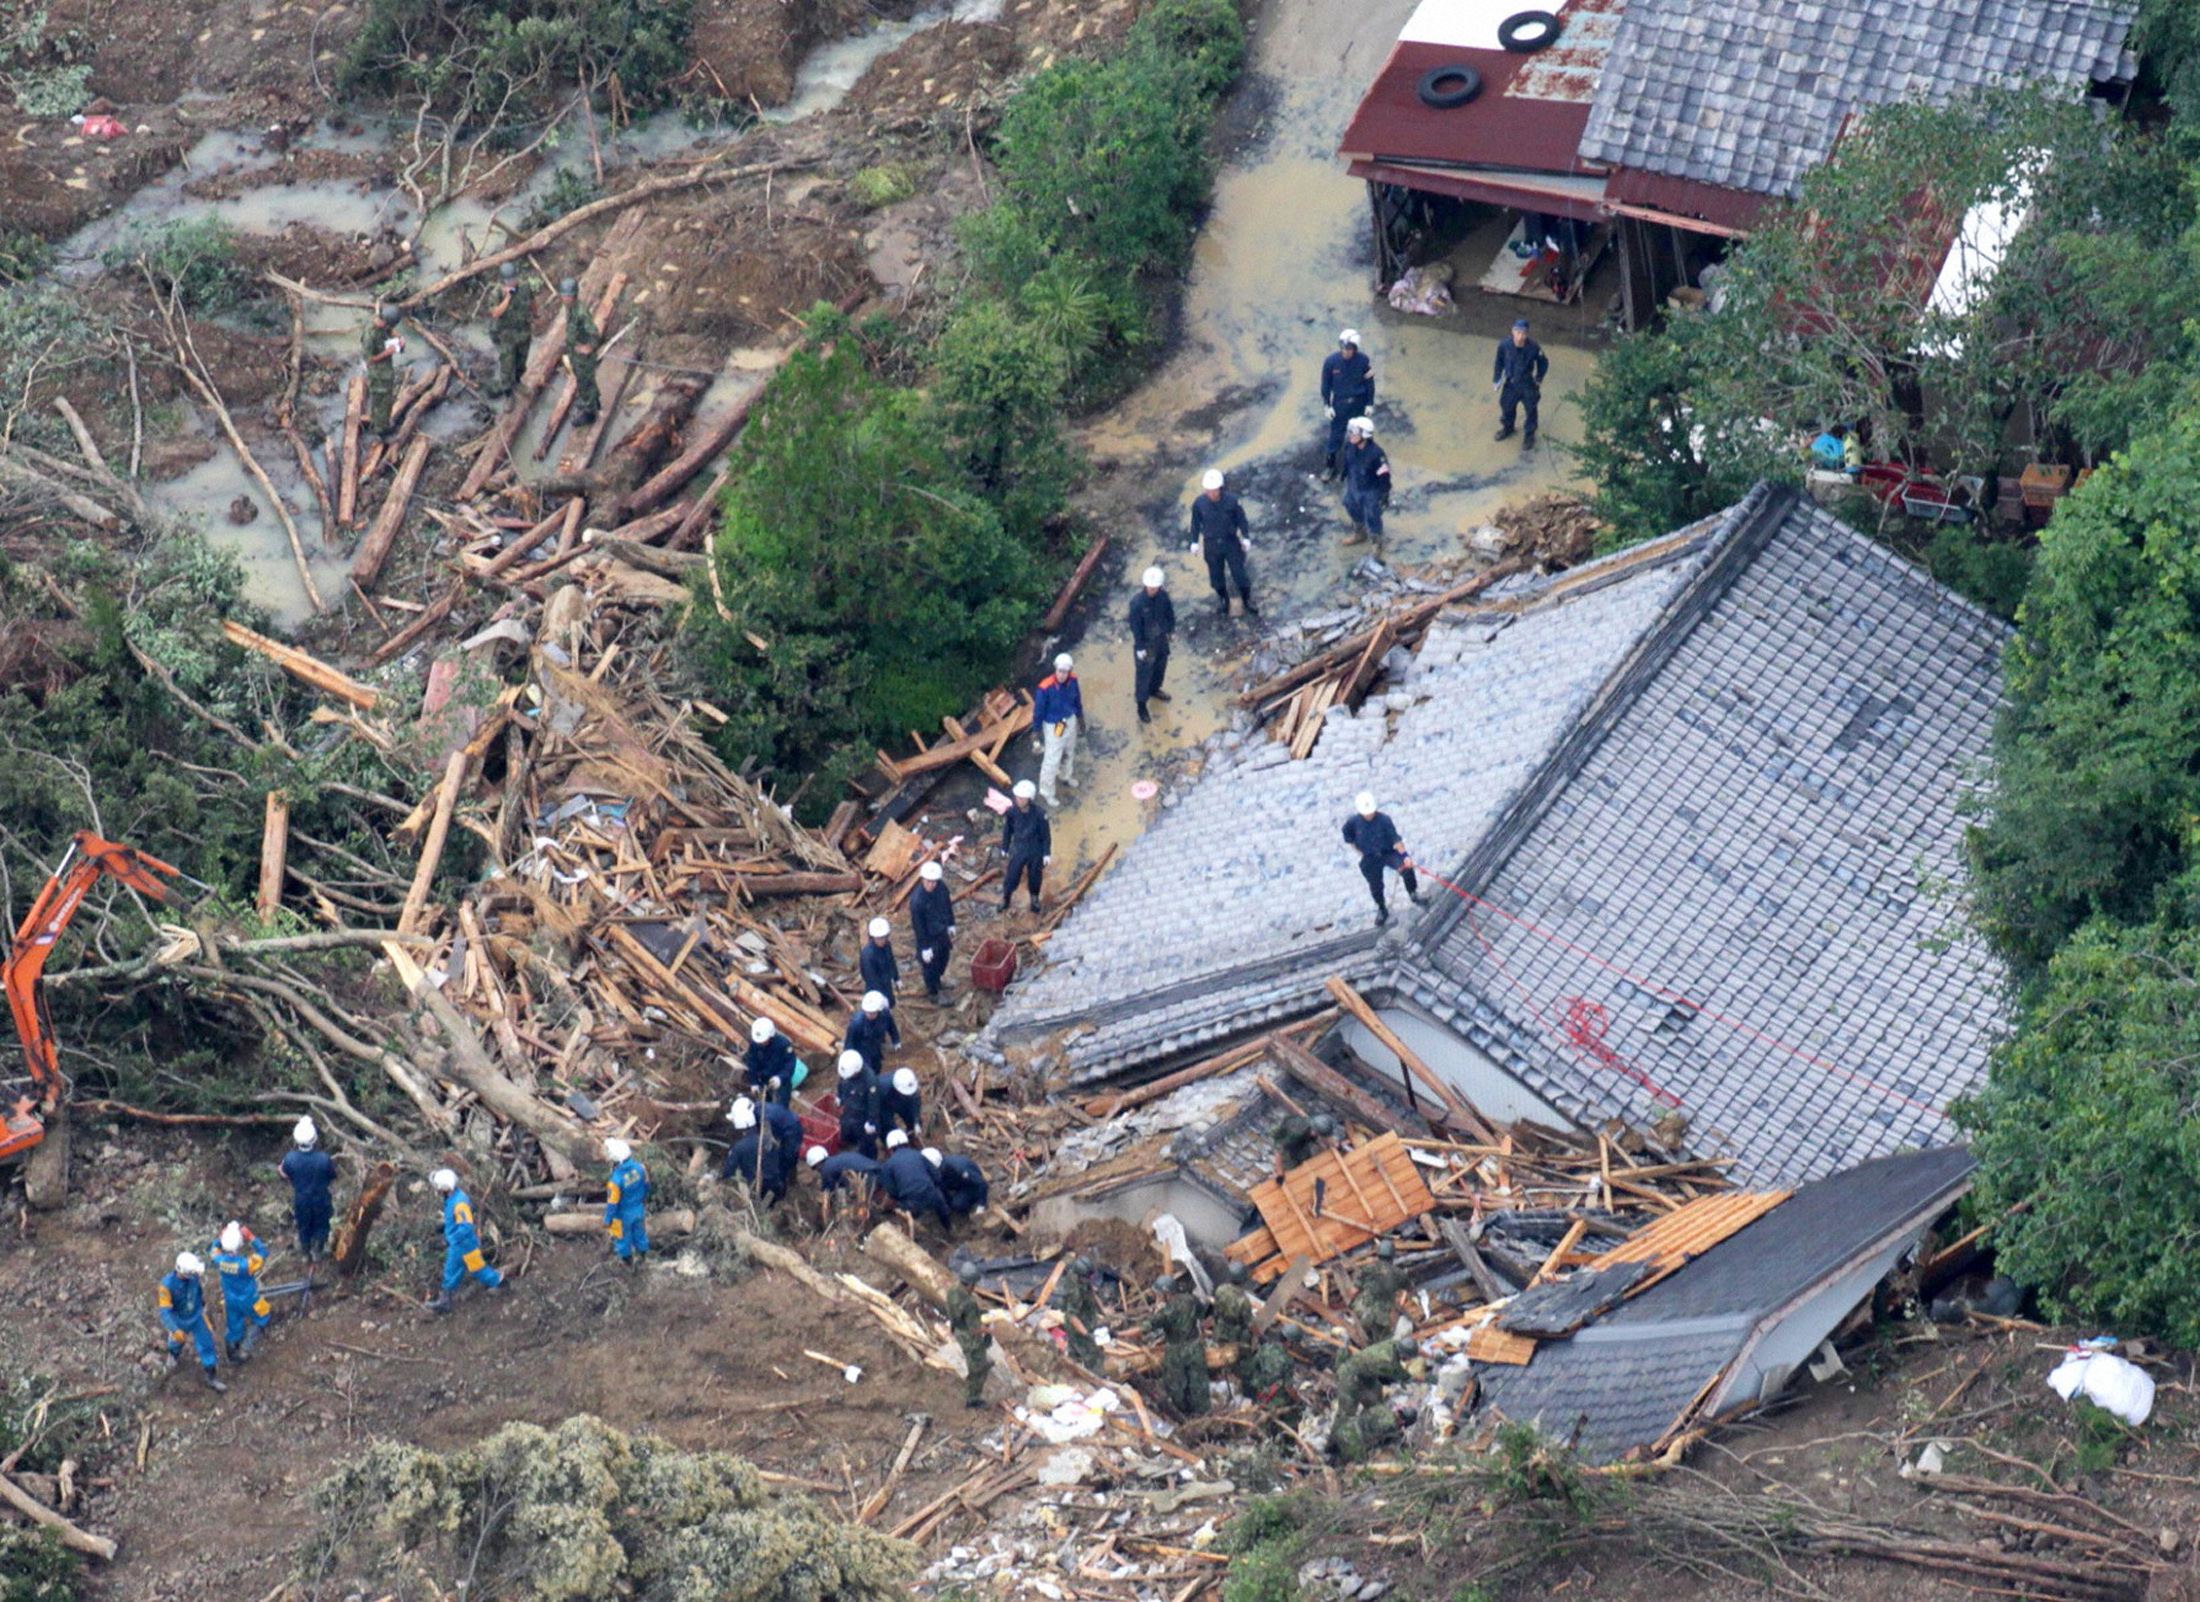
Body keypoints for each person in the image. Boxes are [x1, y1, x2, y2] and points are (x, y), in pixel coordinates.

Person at [1343, 792, 1428, 927]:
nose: (1369, 815)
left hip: (1388, 853)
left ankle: (1413, 893)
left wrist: (1405, 856)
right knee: (1375, 884)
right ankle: (1382, 908)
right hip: (1370, 857)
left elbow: (1396, 839)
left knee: (1406, 869)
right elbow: (1349, 838)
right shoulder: (1352, 823)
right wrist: (1361, 852)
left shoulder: (1384, 820)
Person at [1329, 1336, 1418, 1462]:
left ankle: (1369, 1423)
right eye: (1408, 1357)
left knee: (1376, 1402)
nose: (1408, 1360)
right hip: (1350, 1375)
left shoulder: (1393, 1344)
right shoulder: (1387, 1360)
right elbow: (1398, 1373)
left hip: (1367, 1376)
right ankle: (1332, 1447)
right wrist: (1413, 1378)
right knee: (1345, 1414)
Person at [428, 1168, 503, 1313]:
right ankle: (500, 1282)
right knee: (478, 1269)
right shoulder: (454, 1198)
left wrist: (449, 1239)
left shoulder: (459, 1203)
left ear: (444, 1188)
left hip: (461, 1245)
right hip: (466, 1243)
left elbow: (466, 1226)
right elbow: (456, 1221)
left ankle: (445, 1302)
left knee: (450, 1271)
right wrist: (444, 1227)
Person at [1189, 469, 1256, 617]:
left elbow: (1241, 520)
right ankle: (1223, 601)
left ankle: (1247, 600)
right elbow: (1195, 523)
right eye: (1209, 490)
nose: (1212, 493)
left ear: (1220, 488)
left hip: (1230, 542)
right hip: (1212, 545)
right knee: (1216, 577)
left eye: (1215, 490)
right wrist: (1194, 541)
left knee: (1240, 574)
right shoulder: (1199, 504)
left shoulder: (1232, 501)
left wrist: (1246, 537)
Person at [157, 1253, 224, 1392]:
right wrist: (174, 1329)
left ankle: (211, 1376)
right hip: (179, 1319)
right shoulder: (167, 1286)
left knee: (206, 1344)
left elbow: (198, 1291)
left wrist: (203, 1308)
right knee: (176, 1342)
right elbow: (164, 1311)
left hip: (196, 1316)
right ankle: (173, 1354)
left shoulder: (194, 1277)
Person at [208, 1220, 270, 1364]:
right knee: (262, 1316)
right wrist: (251, 1237)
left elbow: (213, 1250)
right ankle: (245, 1349)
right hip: (249, 1299)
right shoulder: (247, 1264)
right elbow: (263, 1252)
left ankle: (231, 1354)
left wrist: (220, 1238)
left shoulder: (219, 1261)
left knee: (233, 1325)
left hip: (230, 1300)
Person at [1148, 1275, 1208, 1417]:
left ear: (1166, 1294)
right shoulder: (1190, 1299)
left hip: (1176, 1351)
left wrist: (1118, 1335)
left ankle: (1182, 1415)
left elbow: (1146, 1327)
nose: (1158, 1297)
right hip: (1195, 1347)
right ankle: (1204, 1414)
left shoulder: (1166, 1312)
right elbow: (1202, 1314)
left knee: (1175, 1384)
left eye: (1159, 1295)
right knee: (1198, 1382)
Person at [1320, 329, 1376, 476]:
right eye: (1343, 347)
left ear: (1355, 348)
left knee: (1361, 435)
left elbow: (1369, 383)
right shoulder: (1331, 362)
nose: (1345, 351)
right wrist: (1327, 405)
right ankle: (1330, 466)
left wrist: (1369, 403)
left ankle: (1360, 465)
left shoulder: (1363, 361)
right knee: (1336, 435)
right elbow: (1325, 385)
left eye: (1349, 348)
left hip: (1358, 403)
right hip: (1340, 404)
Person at [279, 1117, 335, 1262]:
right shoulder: (324, 1158)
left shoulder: (290, 1158)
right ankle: (318, 1250)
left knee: (303, 1225)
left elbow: (283, 1172)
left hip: (301, 1198)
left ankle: (305, 1253)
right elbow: (332, 1175)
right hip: (321, 1197)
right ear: (314, 1138)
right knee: (322, 1223)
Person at [1033, 653, 1084, 808]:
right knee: (1052, 758)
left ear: (1069, 671)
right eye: (1060, 671)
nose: (1062, 675)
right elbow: (1038, 711)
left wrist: (1081, 718)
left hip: (1069, 720)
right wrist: (1036, 733)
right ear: (1055, 669)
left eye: (1065, 672)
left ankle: (1065, 775)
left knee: (1069, 750)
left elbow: (1077, 700)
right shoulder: (1045, 687)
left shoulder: (1073, 681)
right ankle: (1047, 791)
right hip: (1055, 725)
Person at [1128, 567, 1176, 725]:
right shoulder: (1137, 603)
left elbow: (1170, 614)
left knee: (1160, 667)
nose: (1153, 589)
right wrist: (1140, 647)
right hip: (1146, 644)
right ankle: (1141, 706)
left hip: (1161, 640)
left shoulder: (1163, 597)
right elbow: (1135, 627)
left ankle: (1155, 689)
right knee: (1143, 676)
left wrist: (1170, 630)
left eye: (1155, 587)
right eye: (1151, 587)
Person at [1491, 318, 1549, 449]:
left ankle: (1529, 436)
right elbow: (1499, 362)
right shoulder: (1504, 345)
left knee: (1531, 410)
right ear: (1512, 331)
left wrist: (1538, 378)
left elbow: (1544, 362)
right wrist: (1496, 379)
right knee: (1506, 406)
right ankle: (1508, 428)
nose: (1520, 336)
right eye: (1517, 332)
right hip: (1511, 384)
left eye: (1523, 333)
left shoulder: (1534, 347)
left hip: (1527, 385)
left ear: (1527, 334)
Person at [878, 1137, 953, 1228]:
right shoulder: (918, 1155)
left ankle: (917, 1234)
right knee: (941, 1207)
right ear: (907, 1143)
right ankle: (949, 1228)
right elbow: (936, 1176)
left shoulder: (888, 1165)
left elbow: (891, 1190)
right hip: (931, 1194)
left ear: (889, 1149)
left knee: (905, 1217)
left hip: (910, 1202)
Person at [999, 780, 1050, 914]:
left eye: (1021, 798)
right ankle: (1006, 899)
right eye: (1017, 797)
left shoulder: (1040, 814)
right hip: (1019, 848)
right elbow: (1007, 830)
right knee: (1012, 875)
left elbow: (1046, 836)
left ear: (1029, 799)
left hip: (1035, 850)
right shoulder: (1012, 812)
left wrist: (1046, 853)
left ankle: (1034, 899)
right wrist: (1004, 847)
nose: (1018, 800)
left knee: (1035, 876)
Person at [1339, 418, 1390, 546]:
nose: (1351, 435)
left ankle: (1376, 542)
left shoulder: (1376, 454)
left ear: (1364, 435)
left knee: (1373, 515)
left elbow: (1384, 475)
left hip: (1370, 491)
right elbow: (1347, 462)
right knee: (1350, 505)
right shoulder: (1350, 445)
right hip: (1354, 485)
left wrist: (1384, 494)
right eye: (1350, 431)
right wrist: (1344, 474)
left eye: (1354, 432)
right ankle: (1360, 533)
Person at [909, 860, 955, 1002]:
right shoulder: (917, 901)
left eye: (934, 882)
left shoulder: (941, 888)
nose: (931, 885)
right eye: (928, 882)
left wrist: (951, 924)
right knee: (930, 966)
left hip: (941, 932)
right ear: (923, 879)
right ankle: (933, 992)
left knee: (943, 959)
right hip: (928, 938)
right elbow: (918, 926)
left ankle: (939, 981)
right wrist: (924, 948)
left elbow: (948, 906)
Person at [488, 261, 535, 396]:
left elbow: (532, 301)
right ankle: (508, 393)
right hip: (505, 336)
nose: (512, 283)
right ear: (503, 281)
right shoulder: (496, 293)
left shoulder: (525, 287)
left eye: (513, 279)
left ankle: (518, 382)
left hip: (523, 332)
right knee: (507, 367)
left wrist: (536, 314)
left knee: (521, 362)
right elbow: (495, 313)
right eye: (508, 280)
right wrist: (508, 297)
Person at [558, 278, 601, 425]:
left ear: (573, 296)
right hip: (575, 354)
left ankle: (589, 414)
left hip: (584, 358)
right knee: (583, 380)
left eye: (566, 296)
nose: (563, 299)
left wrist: (588, 347)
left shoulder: (581, 313)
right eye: (563, 295)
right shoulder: (570, 308)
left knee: (585, 382)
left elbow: (594, 333)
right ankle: (593, 401)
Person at [949, 1261, 990, 1408]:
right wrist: (988, 1329)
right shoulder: (970, 1302)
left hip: (957, 1330)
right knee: (979, 1367)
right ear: (971, 1283)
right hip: (968, 1336)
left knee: (973, 1361)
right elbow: (974, 1330)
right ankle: (973, 1399)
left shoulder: (952, 1291)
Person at [602, 1137, 649, 1264]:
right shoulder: (640, 1168)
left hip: (621, 1215)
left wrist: (607, 1220)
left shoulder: (615, 1181)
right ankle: (642, 1258)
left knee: (621, 1239)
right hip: (638, 1209)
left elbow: (612, 1203)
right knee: (640, 1234)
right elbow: (646, 1186)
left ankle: (627, 1263)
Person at [1353, 1239, 1407, 1340]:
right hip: (1380, 1319)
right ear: (1392, 1256)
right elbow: (1399, 1301)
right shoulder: (1397, 1274)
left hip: (1362, 1313)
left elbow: (1353, 1291)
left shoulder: (1367, 1269)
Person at [1056, 1258, 1105, 1369]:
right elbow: (1072, 1316)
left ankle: (1074, 1367)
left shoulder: (1081, 1278)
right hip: (1078, 1326)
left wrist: (1103, 1310)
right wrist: (1087, 1334)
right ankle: (1094, 1379)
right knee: (1092, 1355)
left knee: (1075, 1352)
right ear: (1081, 1277)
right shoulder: (1075, 1293)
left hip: (1087, 1318)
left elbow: (1091, 1292)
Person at [362, 304, 402, 438]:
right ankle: (381, 430)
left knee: (382, 400)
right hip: (377, 373)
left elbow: (390, 331)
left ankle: (377, 422)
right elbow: (369, 359)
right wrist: (388, 352)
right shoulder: (370, 335)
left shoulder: (382, 323)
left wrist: (399, 339)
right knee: (383, 401)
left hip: (385, 370)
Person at [834, 1050, 881, 1157]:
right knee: (846, 1132)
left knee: (867, 1143)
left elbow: (874, 1104)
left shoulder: (870, 1081)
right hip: (849, 1111)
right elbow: (841, 1083)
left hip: (863, 1116)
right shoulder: (846, 1071)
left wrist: (871, 1121)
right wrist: (840, 1097)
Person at [744, 1016, 797, 1108]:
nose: (761, 1043)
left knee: (781, 1107)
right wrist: (754, 1082)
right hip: (763, 1080)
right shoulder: (755, 1045)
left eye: (764, 1041)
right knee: (766, 1107)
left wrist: (780, 1078)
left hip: (781, 1081)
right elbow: (752, 1063)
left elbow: (790, 1064)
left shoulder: (783, 1044)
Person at [843, 989, 900, 1075]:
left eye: (873, 1013)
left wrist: (896, 1040)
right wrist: (849, 1060)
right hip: (862, 1050)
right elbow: (849, 1043)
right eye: (868, 1012)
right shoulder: (856, 1024)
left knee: (877, 1067)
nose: (870, 1015)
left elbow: (891, 1027)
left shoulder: (885, 1015)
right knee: (868, 1073)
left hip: (876, 1047)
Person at [1210, 1262, 1257, 1362]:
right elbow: (1249, 1323)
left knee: (1216, 1353)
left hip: (1219, 1328)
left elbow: (1216, 1308)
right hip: (1233, 1335)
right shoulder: (1243, 1300)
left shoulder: (1220, 1289)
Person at [928, 1148, 989, 1218]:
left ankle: (973, 1201)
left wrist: (981, 1205)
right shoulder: (942, 1166)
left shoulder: (958, 1168)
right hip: (958, 1183)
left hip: (970, 1185)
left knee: (957, 1204)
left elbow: (981, 1183)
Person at [1271, 1110, 1335, 1174]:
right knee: (1291, 1169)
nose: (1318, 1136)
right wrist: (1280, 1173)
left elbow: (1326, 1137)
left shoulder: (1313, 1125)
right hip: (1286, 1148)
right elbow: (1278, 1150)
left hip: (1300, 1143)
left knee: (1306, 1159)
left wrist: (1335, 1146)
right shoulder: (1296, 1131)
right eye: (1317, 1133)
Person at [860, 918, 900, 1003]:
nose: (882, 941)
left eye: (884, 937)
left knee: (890, 1004)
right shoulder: (868, 955)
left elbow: (891, 961)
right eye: (879, 938)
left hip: (887, 982)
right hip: (875, 988)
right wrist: (880, 996)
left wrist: (896, 978)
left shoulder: (887, 946)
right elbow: (871, 978)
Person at [880, 1066, 923, 1138]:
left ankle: (912, 1138)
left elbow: (915, 1104)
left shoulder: (912, 1086)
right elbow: (882, 1114)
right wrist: (894, 1130)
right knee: (888, 1128)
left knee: (911, 1119)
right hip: (884, 1104)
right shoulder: (882, 1087)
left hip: (902, 1102)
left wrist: (916, 1121)